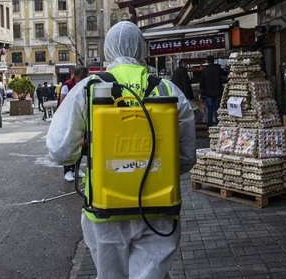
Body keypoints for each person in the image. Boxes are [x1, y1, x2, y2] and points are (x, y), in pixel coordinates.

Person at [46, 21, 196, 278]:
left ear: (107, 50)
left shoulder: (89, 89)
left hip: (106, 213)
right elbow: (186, 158)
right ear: (142, 49)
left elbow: (60, 149)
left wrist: (84, 153)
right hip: (159, 210)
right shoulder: (168, 90)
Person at [57, 66, 90, 182]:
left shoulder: (85, 85)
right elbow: (63, 103)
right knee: (69, 145)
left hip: (81, 118)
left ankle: (76, 168)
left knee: (80, 144)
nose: (84, 79)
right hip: (69, 118)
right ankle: (67, 170)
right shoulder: (67, 85)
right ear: (76, 76)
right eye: (83, 77)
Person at [200, 55, 225, 126]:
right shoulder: (218, 68)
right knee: (217, 109)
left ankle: (209, 124)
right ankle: (218, 123)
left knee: (210, 110)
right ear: (213, 60)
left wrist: (202, 93)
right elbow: (226, 74)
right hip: (218, 92)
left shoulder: (204, 70)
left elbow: (201, 83)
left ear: (207, 61)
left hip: (208, 93)